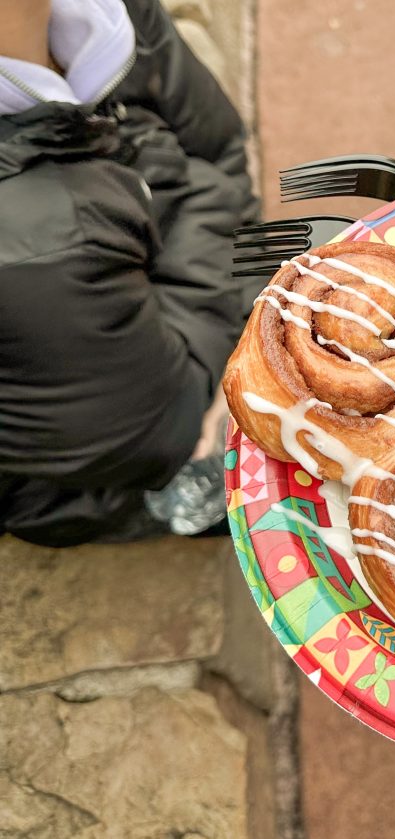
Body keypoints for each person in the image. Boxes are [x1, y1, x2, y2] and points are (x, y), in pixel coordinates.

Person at [0, 0, 259, 547]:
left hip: (141, 329)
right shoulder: (27, 243)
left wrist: (199, 187)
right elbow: (169, 429)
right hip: (86, 477)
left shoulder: (95, 15)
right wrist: (204, 191)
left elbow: (221, 145)